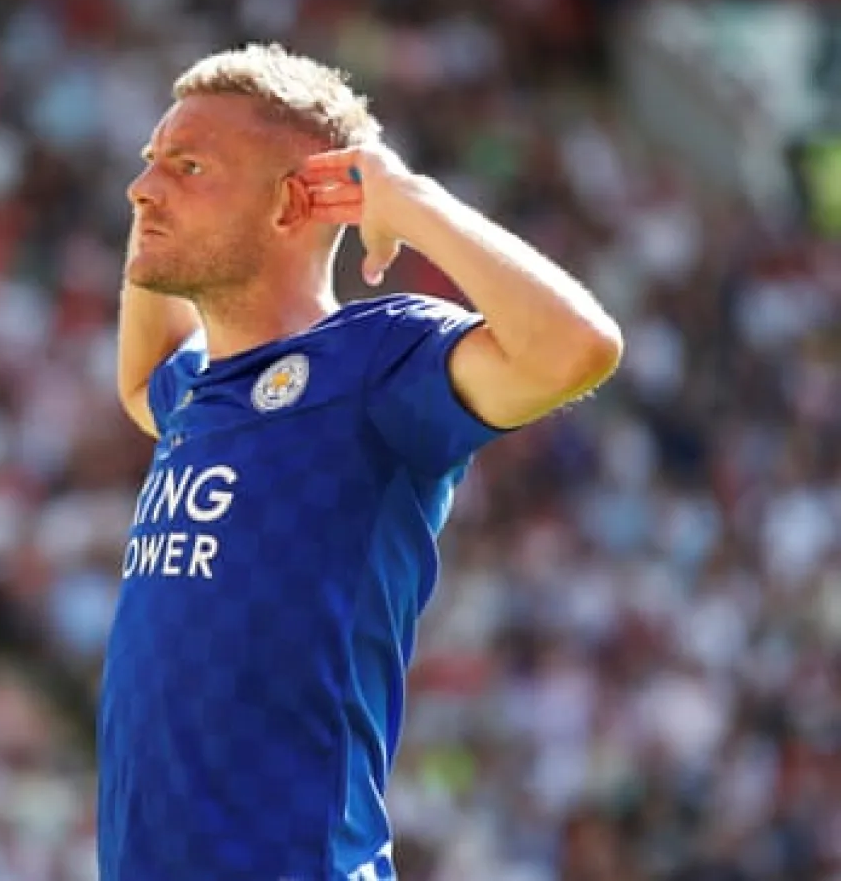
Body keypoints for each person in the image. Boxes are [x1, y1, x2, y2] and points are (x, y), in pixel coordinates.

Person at [101, 43, 623, 880]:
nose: (142, 188)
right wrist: (162, 203)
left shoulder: (377, 357)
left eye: (191, 165)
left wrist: (409, 201)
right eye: (149, 162)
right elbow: (138, 380)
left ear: (293, 204)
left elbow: (577, 348)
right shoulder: (196, 391)